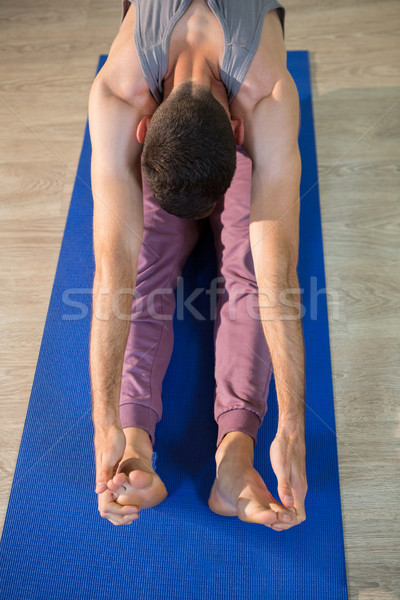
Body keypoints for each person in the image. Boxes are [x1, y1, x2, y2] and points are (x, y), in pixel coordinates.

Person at [88, 0, 307, 531]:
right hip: (185, 120)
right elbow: (114, 274)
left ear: (238, 136)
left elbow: (276, 282)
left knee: (249, 270)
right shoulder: (117, 94)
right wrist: (109, 425)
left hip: (223, 102)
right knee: (142, 269)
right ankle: (135, 448)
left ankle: (235, 457)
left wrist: (292, 430)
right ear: (144, 132)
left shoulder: (268, 96)